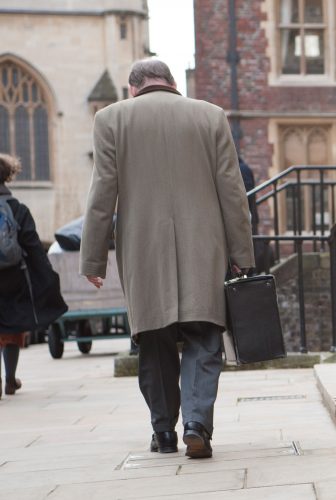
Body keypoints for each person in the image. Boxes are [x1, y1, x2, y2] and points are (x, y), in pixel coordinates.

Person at [80, 59, 254, 458]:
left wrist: (93, 260)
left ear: (132, 88)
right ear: (174, 83)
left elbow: (102, 194)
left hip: (143, 250)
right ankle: (196, 423)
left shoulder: (111, 119)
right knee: (204, 338)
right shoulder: (210, 116)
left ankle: (163, 433)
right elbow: (232, 191)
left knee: (154, 339)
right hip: (203, 247)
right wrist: (242, 253)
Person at [0, 154, 68, 398]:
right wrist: (48, 277)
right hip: (13, 277)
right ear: (8, 176)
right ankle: (10, 379)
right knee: (12, 327)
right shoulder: (18, 210)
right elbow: (34, 248)